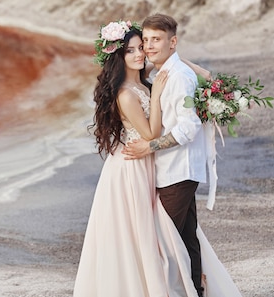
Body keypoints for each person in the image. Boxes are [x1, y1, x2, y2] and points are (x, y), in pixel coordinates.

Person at [74, 19, 242, 297]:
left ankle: (189, 288)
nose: (140, 54)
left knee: (169, 234)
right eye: (131, 51)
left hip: (150, 163)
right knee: (148, 235)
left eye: (142, 47)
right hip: (132, 167)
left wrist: (178, 59)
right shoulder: (127, 94)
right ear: (118, 57)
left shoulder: (146, 78)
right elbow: (151, 132)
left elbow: (189, 69)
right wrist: (157, 96)